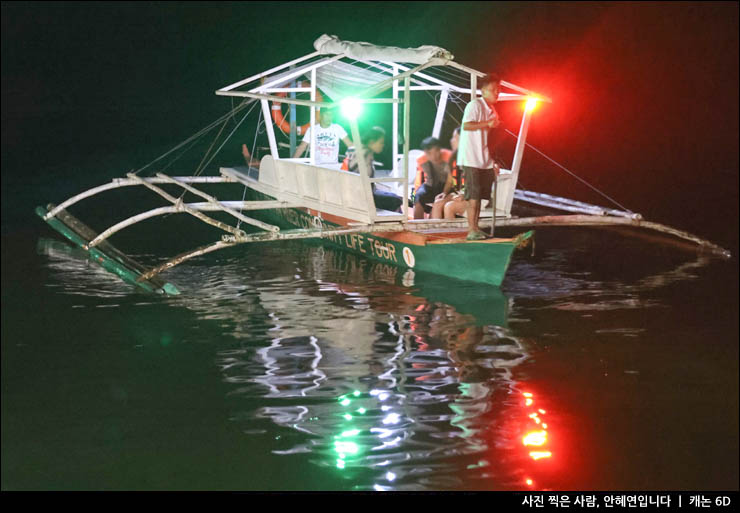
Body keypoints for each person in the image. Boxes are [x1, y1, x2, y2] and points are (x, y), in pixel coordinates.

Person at [458, 73, 502, 240]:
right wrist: (487, 124)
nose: (496, 93)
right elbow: (467, 125)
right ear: (483, 91)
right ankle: (471, 230)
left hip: (484, 159)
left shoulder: (493, 111)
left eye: (498, 90)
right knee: (473, 196)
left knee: (481, 196)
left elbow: (492, 139)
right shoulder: (474, 105)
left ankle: (475, 228)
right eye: (493, 90)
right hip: (471, 157)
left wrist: (494, 162)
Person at [347, 126, 403, 212]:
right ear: (371, 142)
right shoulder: (366, 154)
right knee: (396, 200)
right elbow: (366, 178)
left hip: (357, 193)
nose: (383, 145)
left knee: (393, 197)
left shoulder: (355, 150)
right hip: (363, 197)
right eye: (381, 143)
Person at [413, 137, 454, 219]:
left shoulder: (449, 157)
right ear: (425, 153)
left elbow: (451, 180)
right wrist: (416, 193)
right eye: (429, 153)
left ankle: (431, 223)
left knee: (438, 203)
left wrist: (445, 192)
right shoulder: (421, 160)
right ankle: (417, 225)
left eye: (436, 151)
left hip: (447, 186)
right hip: (430, 185)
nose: (433, 156)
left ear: (440, 150)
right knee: (418, 198)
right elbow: (419, 179)